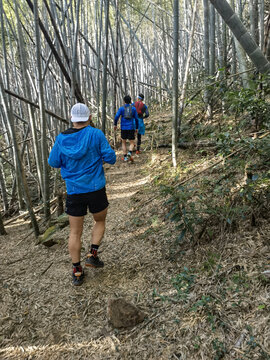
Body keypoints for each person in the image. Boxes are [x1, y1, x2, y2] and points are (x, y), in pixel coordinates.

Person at [48, 103, 116, 286]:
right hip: (95, 189)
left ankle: (77, 272)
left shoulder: (61, 139)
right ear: (89, 117)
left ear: (72, 119)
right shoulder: (96, 134)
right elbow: (112, 158)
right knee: (100, 220)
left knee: (75, 232)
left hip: (74, 191)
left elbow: (53, 161)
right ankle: (92, 255)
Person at [114, 95, 138, 162]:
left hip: (123, 128)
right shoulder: (133, 109)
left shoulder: (121, 108)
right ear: (130, 101)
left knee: (123, 142)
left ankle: (125, 157)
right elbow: (136, 119)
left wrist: (115, 124)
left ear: (124, 101)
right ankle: (130, 153)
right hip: (131, 127)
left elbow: (116, 117)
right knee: (132, 143)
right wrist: (137, 127)